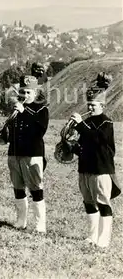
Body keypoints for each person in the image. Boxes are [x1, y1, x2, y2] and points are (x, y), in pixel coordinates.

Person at [71, 72, 120, 248]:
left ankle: (104, 239)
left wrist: (80, 125)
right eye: (89, 105)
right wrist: (71, 146)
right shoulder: (88, 122)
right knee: (88, 202)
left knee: (103, 203)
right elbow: (84, 145)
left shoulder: (106, 123)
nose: (90, 108)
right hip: (84, 168)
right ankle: (92, 236)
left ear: (102, 105)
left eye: (93, 105)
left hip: (101, 170)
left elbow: (97, 139)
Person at [6, 74, 49, 233]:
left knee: (36, 189)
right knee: (18, 187)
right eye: (22, 93)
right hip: (15, 153)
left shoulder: (42, 110)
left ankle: (40, 225)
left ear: (36, 93)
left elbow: (39, 132)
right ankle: (21, 221)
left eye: (28, 93)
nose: (24, 96)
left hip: (32, 155)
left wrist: (24, 112)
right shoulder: (17, 109)